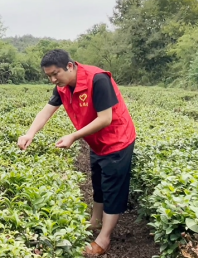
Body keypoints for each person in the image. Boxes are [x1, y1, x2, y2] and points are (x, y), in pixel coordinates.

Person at [17, 49, 136, 256]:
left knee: (112, 190)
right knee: (98, 184)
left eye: (56, 74)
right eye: (49, 76)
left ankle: (104, 238)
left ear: (70, 66)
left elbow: (105, 118)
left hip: (117, 140)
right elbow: (47, 110)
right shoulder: (62, 87)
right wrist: (30, 133)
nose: (53, 79)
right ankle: (95, 222)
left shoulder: (97, 80)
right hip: (97, 142)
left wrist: (73, 136)